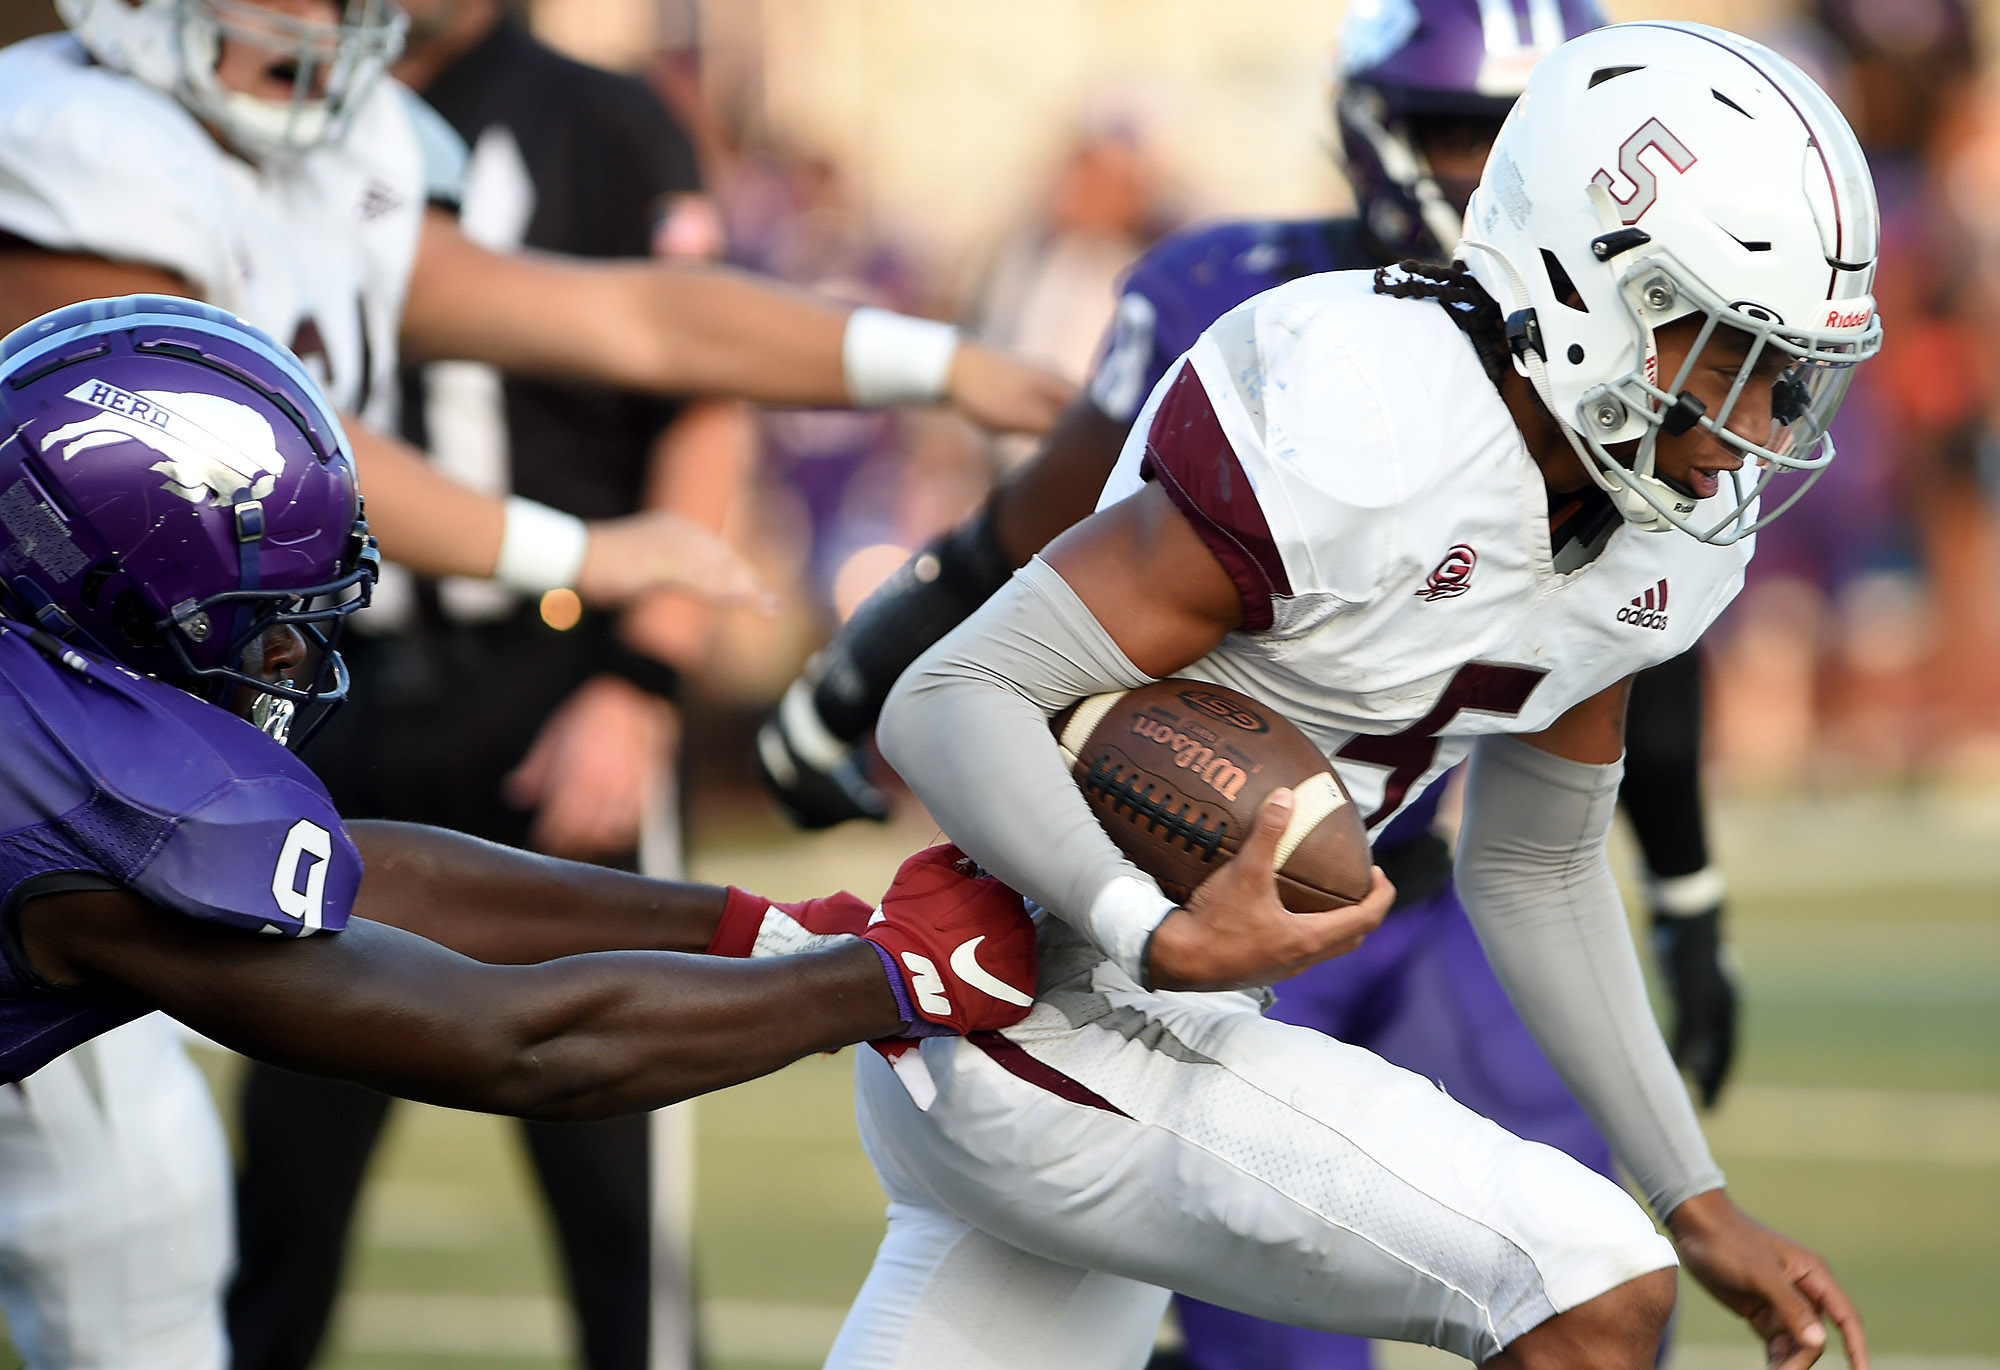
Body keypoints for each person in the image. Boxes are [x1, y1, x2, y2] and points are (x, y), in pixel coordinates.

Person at [834, 22, 1880, 1370]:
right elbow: (947, 691)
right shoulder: (1361, 414)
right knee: (1590, 1280)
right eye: (1724, 347)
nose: (1759, 421)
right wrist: (1144, 926)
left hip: (1129, 1031)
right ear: (1586, 284)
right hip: (1037, 1005)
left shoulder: (1654, 524)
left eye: (1786, 368)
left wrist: (1694, 1192)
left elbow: (1536, 865)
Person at [0, 295, 1043, 1369]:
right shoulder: (78, 788)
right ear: (106, 586)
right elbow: (516, 1046)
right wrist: (882, 982)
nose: (293, 661)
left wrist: (755, 927)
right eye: (267, 629)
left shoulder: (42, 697)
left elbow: (366, 876)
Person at [223, 5, 750, 1366]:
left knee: (614, 1171)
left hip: (554, 676)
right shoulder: (258, 98)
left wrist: (639, 678)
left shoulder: (605, 117)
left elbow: (704, 386)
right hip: (325, 687)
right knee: (282, 1182)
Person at [0, 0, 1071, 617]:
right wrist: (581, 555)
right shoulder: (77, 141)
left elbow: (630, 317)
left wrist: (949, 365)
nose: (323, 22)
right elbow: (255, 453)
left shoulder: (341, 154)